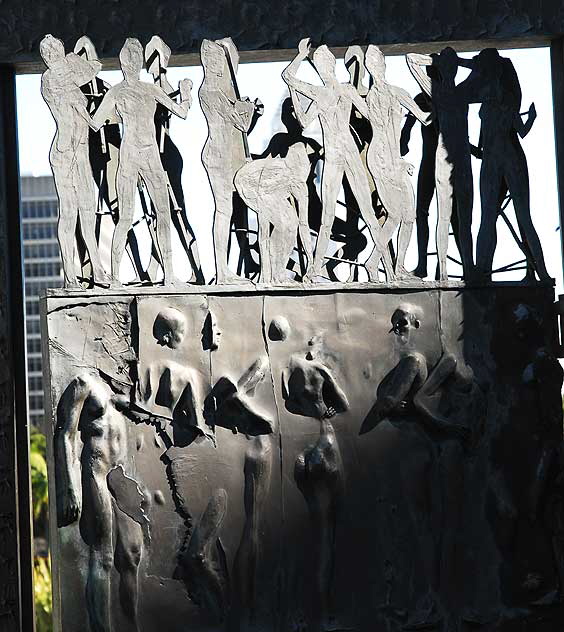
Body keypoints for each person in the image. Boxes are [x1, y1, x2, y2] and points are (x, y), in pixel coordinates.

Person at [282, 38, 394, 282]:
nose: (325, 68)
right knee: (328, 216)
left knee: (360, 211)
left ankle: (386, 268)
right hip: (336, 156)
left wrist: (301, 57)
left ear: (330, 65)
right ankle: (314, 269)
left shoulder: (337, 91)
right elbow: (301, 114)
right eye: (321, 64)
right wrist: (301, 56)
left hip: (346, 154)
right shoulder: (326, 93)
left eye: (325, 63)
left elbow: (372, 117)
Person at [92, 38, 192, 285]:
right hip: (138, 155)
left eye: (134, 59)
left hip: (142, 155)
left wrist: (186, 93)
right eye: (131, 58)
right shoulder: (143, 90)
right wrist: (186, 92)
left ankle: (166, 274)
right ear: (127, 63)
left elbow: (94, 122)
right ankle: (120, 277)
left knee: (160, 214)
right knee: (135, 217)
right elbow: (183, 111)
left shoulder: (127, 91)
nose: (132, 63)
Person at [55, 373, 144, 632]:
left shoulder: (119, 392)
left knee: (130, 555)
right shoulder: (83, 383)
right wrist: (68, 488)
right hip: (96, 475)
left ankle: (130, 624)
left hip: (119, 479)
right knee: (102, 556)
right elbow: (64, 433)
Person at [459, 48, 550, 283]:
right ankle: (483, 274)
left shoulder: (502, 96)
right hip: (496, 158)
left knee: (515, 217)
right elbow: (519, 131)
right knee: (494, 218)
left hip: (506, 157)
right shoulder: (498, 96)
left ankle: (538, 272)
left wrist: (530, 118)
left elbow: (521, 130)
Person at [40, 34, 109, 288]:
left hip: (80, 151)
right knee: (69, 212)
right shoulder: (53, 79)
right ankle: (70, 275)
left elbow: (93, 68)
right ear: (47, 58)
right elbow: (92, 69)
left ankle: (97, 269)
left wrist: (85, 45)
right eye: (49, 53)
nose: (53, 56)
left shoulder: (66, 71)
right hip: (64, 152)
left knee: (88, 211)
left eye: (56, 51)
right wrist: (84, 49)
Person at [406, 48, 477, 282]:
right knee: (422, 211)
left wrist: (448, 61)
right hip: (430, 161)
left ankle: (467, 265)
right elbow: (405, 136)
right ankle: (424, 264)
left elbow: (456, 133)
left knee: (454, 216)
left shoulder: (453, 95)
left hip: (448, 160)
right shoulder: (422, 98)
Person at [363, 45, 431, 278]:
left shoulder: (396, 92)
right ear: (370, 67)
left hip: (392, 158)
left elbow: (423, 117)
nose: (377, 67)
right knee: (397, 214)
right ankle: (380, 264)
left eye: (379, 63)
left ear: (383, 65)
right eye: (373, 64)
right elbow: (383, 132)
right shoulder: (376, 96)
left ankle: (385, 263)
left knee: (407, 215)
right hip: (382, 158)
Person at [199, 38, 263, 284]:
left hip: (231, 155)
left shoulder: (222, 93)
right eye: (216, 62)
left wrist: (249, 111)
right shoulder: (210, 92)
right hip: (218, 157)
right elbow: (240, 123)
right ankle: (223, 272)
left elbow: (241, 132)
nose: (222, 68)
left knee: (239, 211)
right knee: (224, 211)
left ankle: (245, 261)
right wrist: (247, 109)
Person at [145, 36, 204, 284]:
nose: (154, 66)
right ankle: (152, 271)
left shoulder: (164, 89)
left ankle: (197, 271)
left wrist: (187, 93)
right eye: (151, 61)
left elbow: (182, 112)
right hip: (153, 155)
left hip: (166, 155)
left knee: (177, 213)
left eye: (157, 60)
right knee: (160, 215)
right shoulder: (150, 89)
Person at [235, 143, 313, 283]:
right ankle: (274, 274)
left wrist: (311, 260)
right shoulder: (278, 170)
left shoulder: (299, 184)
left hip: (265, 188)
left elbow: (304, 224)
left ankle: (278, 272)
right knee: (285, 224)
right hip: (249, 183)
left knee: (291, 225)